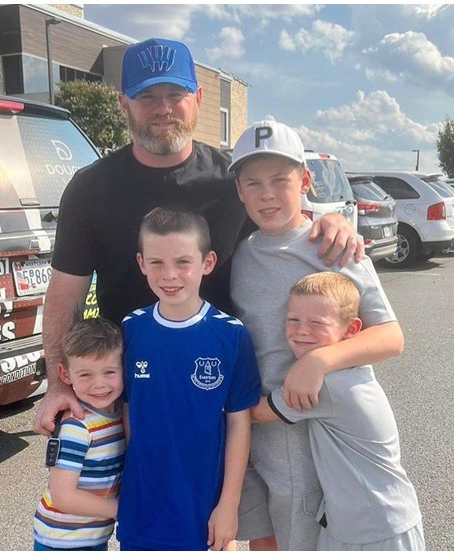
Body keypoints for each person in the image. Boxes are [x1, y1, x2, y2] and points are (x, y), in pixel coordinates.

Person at [34, 37, 364, 437]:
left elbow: (284, 226)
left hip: (224, 390)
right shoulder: (90, 188)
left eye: (176, 94)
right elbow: (65, 294)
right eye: (146, 96)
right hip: (127, 394)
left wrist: (329, 223)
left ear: (198, 99)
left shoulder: (232, 181)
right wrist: (58, 385)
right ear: (123, 103)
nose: (163, 108)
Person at [228, 118, 405, 550]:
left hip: (305, 449)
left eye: (280, 180)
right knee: (260, 542)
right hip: (251, 438)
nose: (267, 194)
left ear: (305, 181)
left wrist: (320, 361)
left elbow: (390, 336)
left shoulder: (333, 248)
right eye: (253, 183)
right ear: (239, 191)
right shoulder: (240, 254)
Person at [117, 206, 261, 550]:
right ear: (141, 264)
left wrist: (228, 505)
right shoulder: (131, 329)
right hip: (143, 502)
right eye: (156, 263)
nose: (169, 275)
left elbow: (239, 423)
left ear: (207, 263)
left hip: (203, 502)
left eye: (183, 262)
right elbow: (127, 408)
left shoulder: (231, 334)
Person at [251, 272, 424, 550]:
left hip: (378, 529)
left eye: (317, 323)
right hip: (359, 521)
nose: (301, 330)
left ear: (352, 329)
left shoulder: (327, 385)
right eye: (293, 320)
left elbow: (258, 413)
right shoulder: (349, 368)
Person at [32, 318, 125, 551]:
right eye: (85, 375)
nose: (99, 384)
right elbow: (63, 496)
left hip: (94, 537)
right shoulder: (77, 427)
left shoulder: (118, 416)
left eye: (109, 372)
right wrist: (122, 509)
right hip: (62, 541)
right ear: (65, 375)